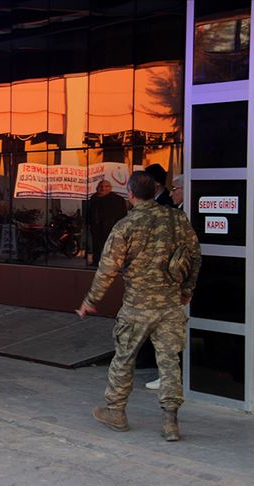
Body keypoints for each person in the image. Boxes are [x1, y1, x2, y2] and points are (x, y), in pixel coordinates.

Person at [76, 172, 201, 441]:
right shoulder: (177, 218)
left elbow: (107, 269)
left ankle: (116, 412)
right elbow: (194, 255)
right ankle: (170, 422)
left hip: (137, 306)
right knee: (169, 362)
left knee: (123, 359)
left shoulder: (126, 225)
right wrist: (187, 290)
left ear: (130, 194)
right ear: (154, 191)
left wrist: (90, 301)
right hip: (170, 305)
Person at [146, 173, 187, 390]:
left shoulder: (184, 214)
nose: (171, 194)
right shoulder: (177, 212)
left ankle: (171, 376)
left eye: (176, 189)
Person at [87, 180, 128, 266]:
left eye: (106, 186)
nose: (103, 188)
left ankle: (110, 263)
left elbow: (122, 215)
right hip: (96, 227)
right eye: (101, 186)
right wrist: (89, 223)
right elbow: (89, 212)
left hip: (110, 227)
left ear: (110, 188)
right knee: (96, 245)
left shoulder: (117, 199)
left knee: (110, 246)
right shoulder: (94, 198)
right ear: (97, 188)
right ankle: (96, 261)